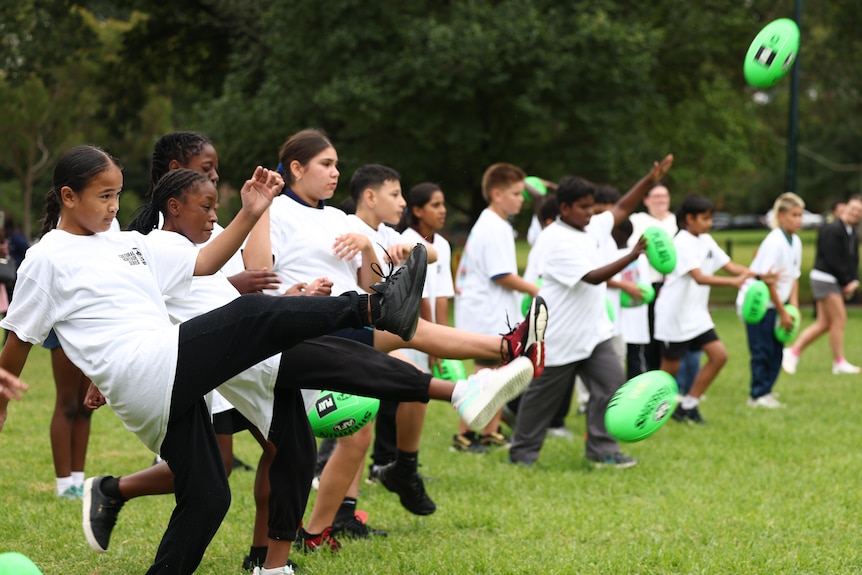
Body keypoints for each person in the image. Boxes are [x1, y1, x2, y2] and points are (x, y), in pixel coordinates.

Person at [0, 145, 535, 575]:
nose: (114, 206)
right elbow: (20, 340)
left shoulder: (126, 243)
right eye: (103, 196)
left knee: (209, 498)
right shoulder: (47, 256)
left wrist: (250, 213)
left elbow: (203, 265)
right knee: (257, 315)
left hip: (162, 378)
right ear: (68, 197)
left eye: (118, 194)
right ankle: (379, 306)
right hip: (145, 370)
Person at [241, 130, 547, 551]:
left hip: (340, 319)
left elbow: (370, 283)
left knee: (356, 437)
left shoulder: (336, 219)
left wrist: (367, 244)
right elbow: (258, 272)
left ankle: (314, 532)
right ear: (296, 168)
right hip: (297, 334)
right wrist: (260, 214)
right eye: (326, 165)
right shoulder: (274, 213)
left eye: (336, 164)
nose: (336, 173)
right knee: (407, 335)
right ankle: (506, 351)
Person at [509, 154, 673, 468]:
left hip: (595, 333)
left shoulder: (590, 226)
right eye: (583, 207)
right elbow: (592, 276)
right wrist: (633, 255)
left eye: (591, 205)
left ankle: (602, 451)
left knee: (612, 388)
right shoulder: (554, 240)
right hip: (560, 338)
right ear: (565, 208)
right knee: (542, 400)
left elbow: (622, 207)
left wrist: (649, 180)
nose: (590, 212)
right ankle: (522, 454)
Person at [655, 194, 768, 424]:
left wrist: (757, 275)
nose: (710, 223)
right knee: (669, 372)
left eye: (710, 218)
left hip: (697, 315)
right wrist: (735, 283)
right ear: (689, 218)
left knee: (719, 356)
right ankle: (653, 412)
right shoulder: (682, 242)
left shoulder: (705, 240)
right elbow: (699, 277)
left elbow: (729, 266)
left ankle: (688, 406)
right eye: (705, 218)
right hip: (674, 316)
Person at [453, 163, 542, 450]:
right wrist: (537, 291)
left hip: (490, 308)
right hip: (485, 310)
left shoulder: (496, 223)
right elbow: (501, 274)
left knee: (502, 369)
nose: (521, 199)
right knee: (485, 372)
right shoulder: (493, 226)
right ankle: (465, 436)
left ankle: (490, 431)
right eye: (515, 193)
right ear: (497, 193)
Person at [737, 193, 804, 408]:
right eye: (794, 215)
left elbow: (794, 276)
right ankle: (757, 395)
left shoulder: (796, 241)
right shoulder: (774, 242)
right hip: (760, 305)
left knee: (776, 349)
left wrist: (792, 306)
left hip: (779, 305)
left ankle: (767, 390)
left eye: (801, 215)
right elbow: (768, 280)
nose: (799, 220)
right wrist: (781, 310)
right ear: (781, 216)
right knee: (762, 350)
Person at [783, 196, 862, 375]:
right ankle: (839, 362)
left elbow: (853, 260)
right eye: (853, 208)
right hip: (825, 279)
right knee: (839, 319)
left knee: (825, 323)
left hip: (835, 280)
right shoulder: (832, 229)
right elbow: (832, 259)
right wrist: (846, 282)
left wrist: (854, 280)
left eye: (859, 211)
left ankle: (792, 352)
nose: (855, 213)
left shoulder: (852, 233)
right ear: (845, 207)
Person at [628, 182, 677, 373]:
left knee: (673, 336)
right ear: (646, 200)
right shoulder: (637, 221)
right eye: (656, 196)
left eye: (664, 196)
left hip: (672, 286)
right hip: (649, 286)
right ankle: (650, 371)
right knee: (649, 335)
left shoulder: (676, 221)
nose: (661, 200)